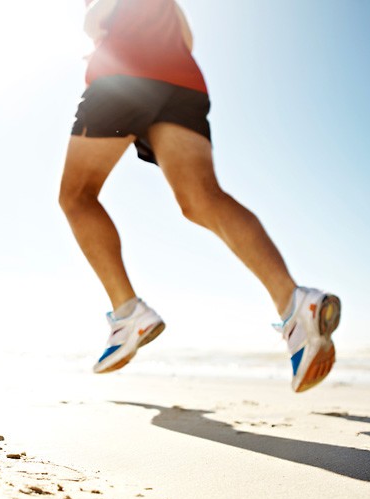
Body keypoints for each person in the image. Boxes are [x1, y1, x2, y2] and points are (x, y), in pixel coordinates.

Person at [58, 0, 341, 392]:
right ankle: (295, 305)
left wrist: (96, 30)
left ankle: (128, 314)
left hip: (123, 73)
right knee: (202, 199)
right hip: (182, 82)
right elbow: (187, 37)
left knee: (77, 197)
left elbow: (97, 16)